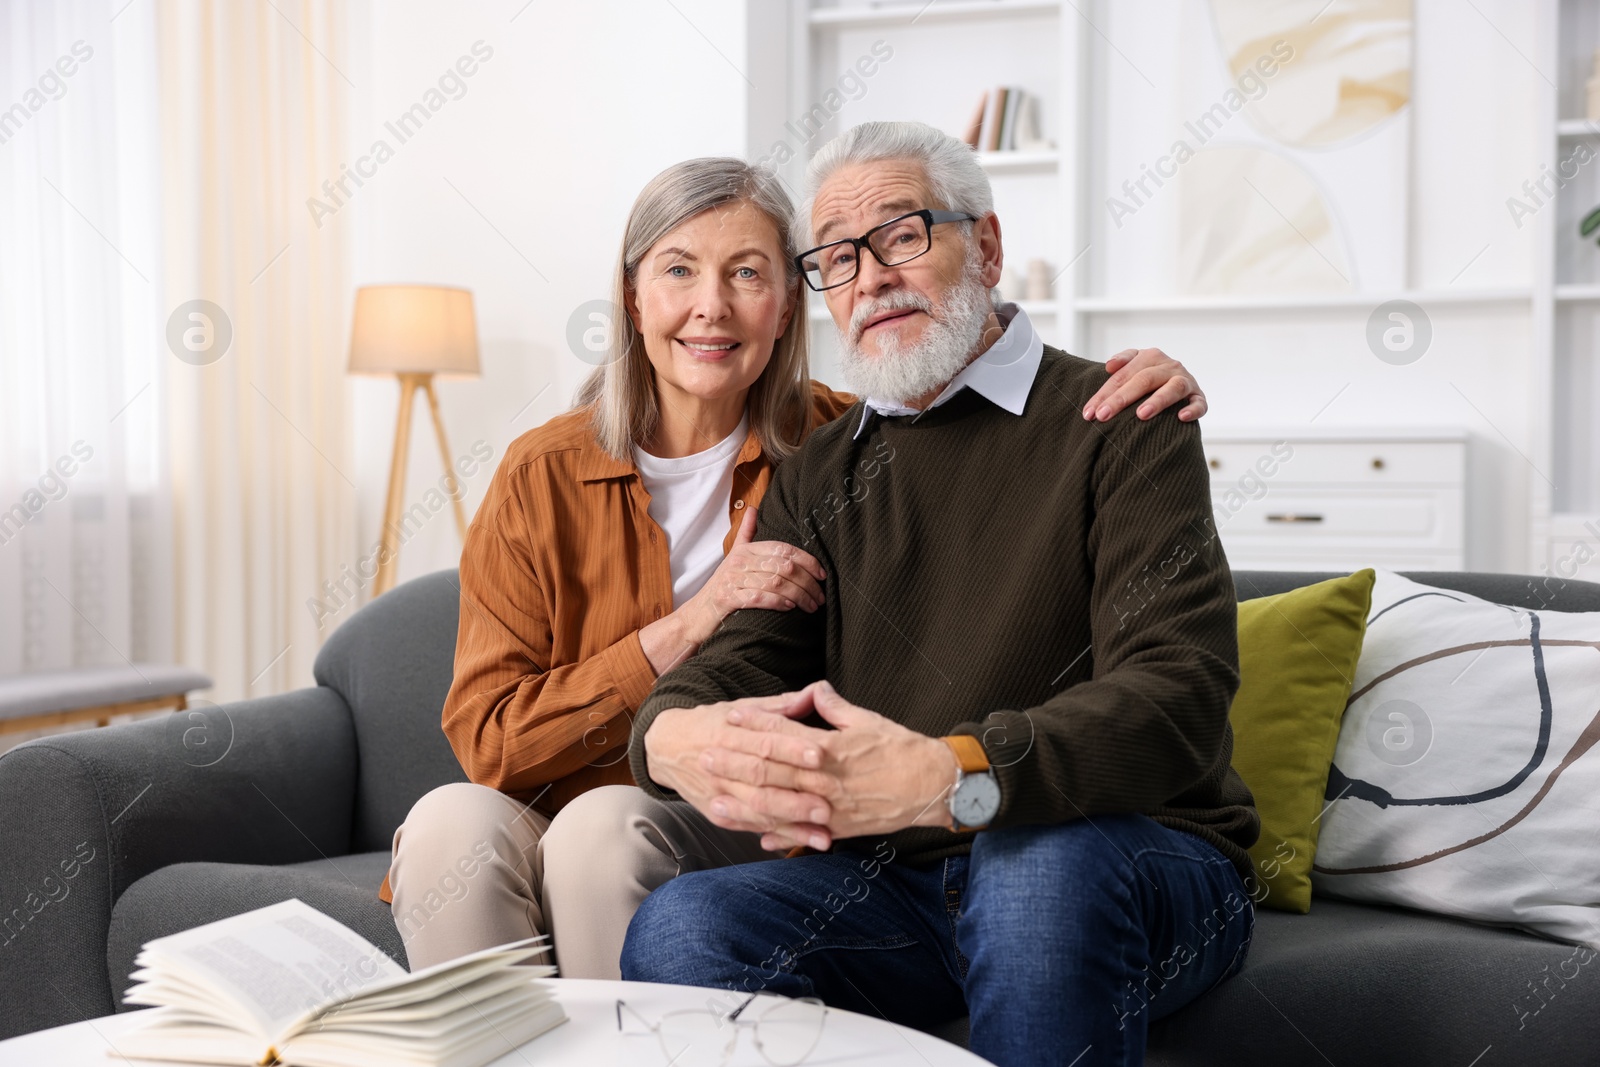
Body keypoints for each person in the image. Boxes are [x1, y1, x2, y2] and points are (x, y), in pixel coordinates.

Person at [385, 154, 1215, 981]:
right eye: (679, 270)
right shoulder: (542, 473)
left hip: (719, 812)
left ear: (788, 303)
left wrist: (1135, 380)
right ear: (633, 296)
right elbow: (489, 738)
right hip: (576, 789)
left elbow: (967, 405)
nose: (711, 306)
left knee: (602, 829)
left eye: (747, 273)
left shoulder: (839, 442)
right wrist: (689, 626)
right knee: (445, 822)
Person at [618, 121, 1259, 1066]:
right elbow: (738, 662)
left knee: (1033, 870)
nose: (870, 276)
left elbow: (1179, 693)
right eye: (837, 258)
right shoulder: (816, 474)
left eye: (903, 235)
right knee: (684, 925)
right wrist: (666, 735)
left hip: (1124, 857)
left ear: (987, 246)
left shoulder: (1124, 420)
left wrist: (952, 775)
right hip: (898, 893)